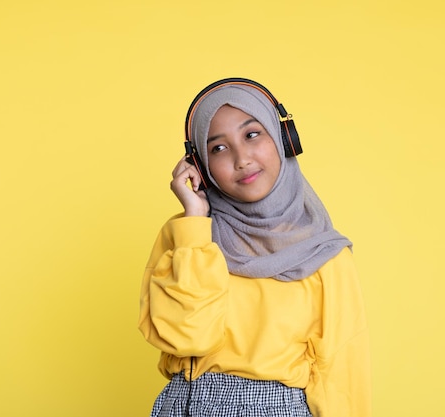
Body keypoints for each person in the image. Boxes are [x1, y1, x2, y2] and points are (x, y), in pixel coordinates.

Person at [138, 78, 371, 417]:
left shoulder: (326, 256)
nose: (242, 159)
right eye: (218, 148)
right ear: (200, 166)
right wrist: (195, 221)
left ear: (284, 139)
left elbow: (343, 378)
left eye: (252, 135)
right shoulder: (186, 235)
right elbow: (188, 338)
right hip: (181, 404)